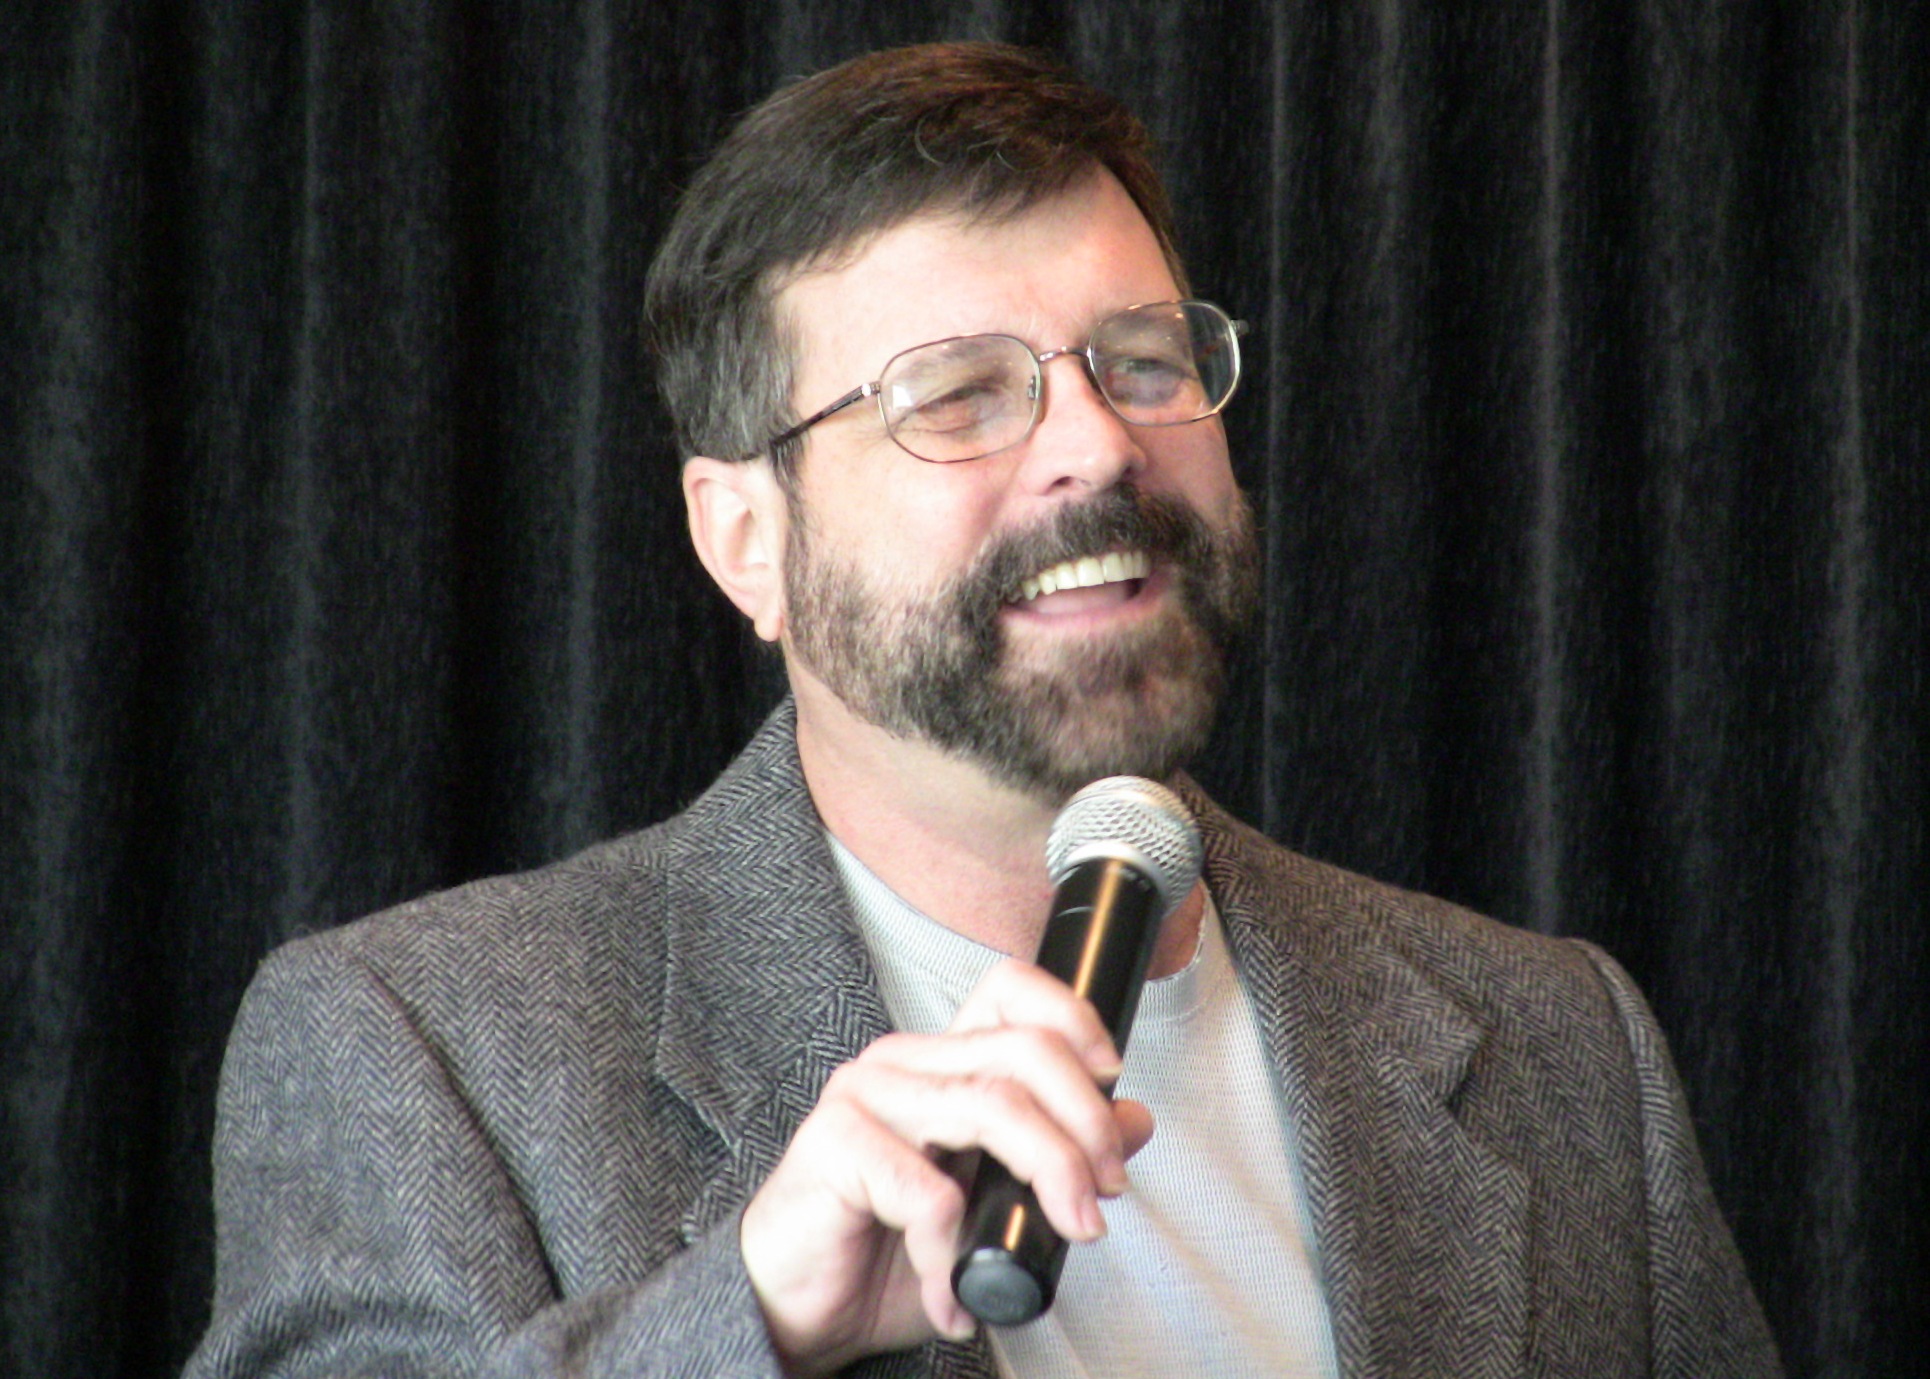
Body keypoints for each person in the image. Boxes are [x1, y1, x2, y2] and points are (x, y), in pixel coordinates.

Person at [186, 41, 1783, 1379]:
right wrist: (752, 1319)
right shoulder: (418, 1049)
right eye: (956, 395)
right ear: (748, 540)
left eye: (1143, 362)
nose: (1095, 446)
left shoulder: (1563, 1047)